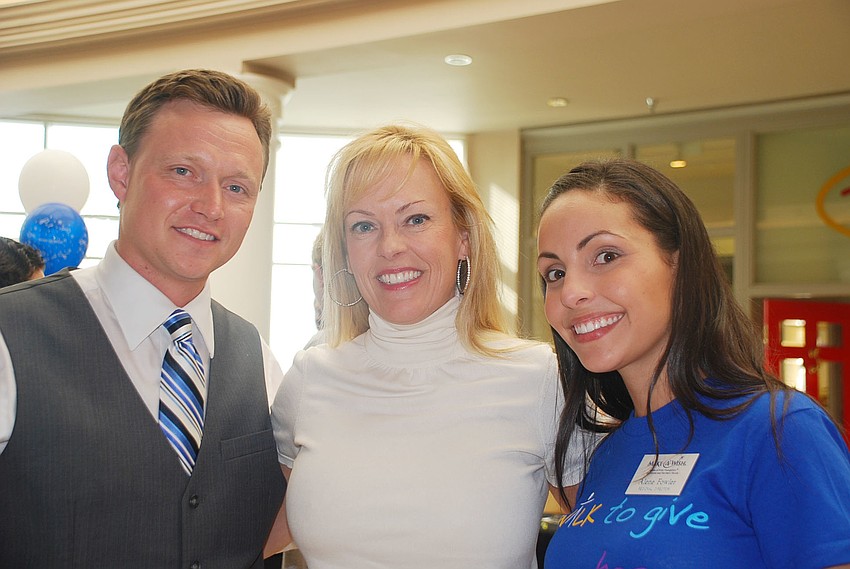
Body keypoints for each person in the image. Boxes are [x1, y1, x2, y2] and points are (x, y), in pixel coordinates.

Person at [265, 124, 593, 568]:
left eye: (415, 219)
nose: (390, 247)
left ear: (463, 236)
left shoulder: (539, 379)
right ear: (344, 249)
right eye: (364, 226)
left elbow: (605, 545)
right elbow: (249, 536)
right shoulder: (310, 377)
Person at [0, 69, 286, 568]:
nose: (211, 206)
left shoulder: (257, 359)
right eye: (183, 172)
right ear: (121, 172)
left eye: (237, 187)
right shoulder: (11, 335)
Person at [536, 158, 850, 569]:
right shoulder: (608, 454)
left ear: (680, 264)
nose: (571, 292)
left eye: (606, 255)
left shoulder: (779, 430)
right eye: (554, 273)